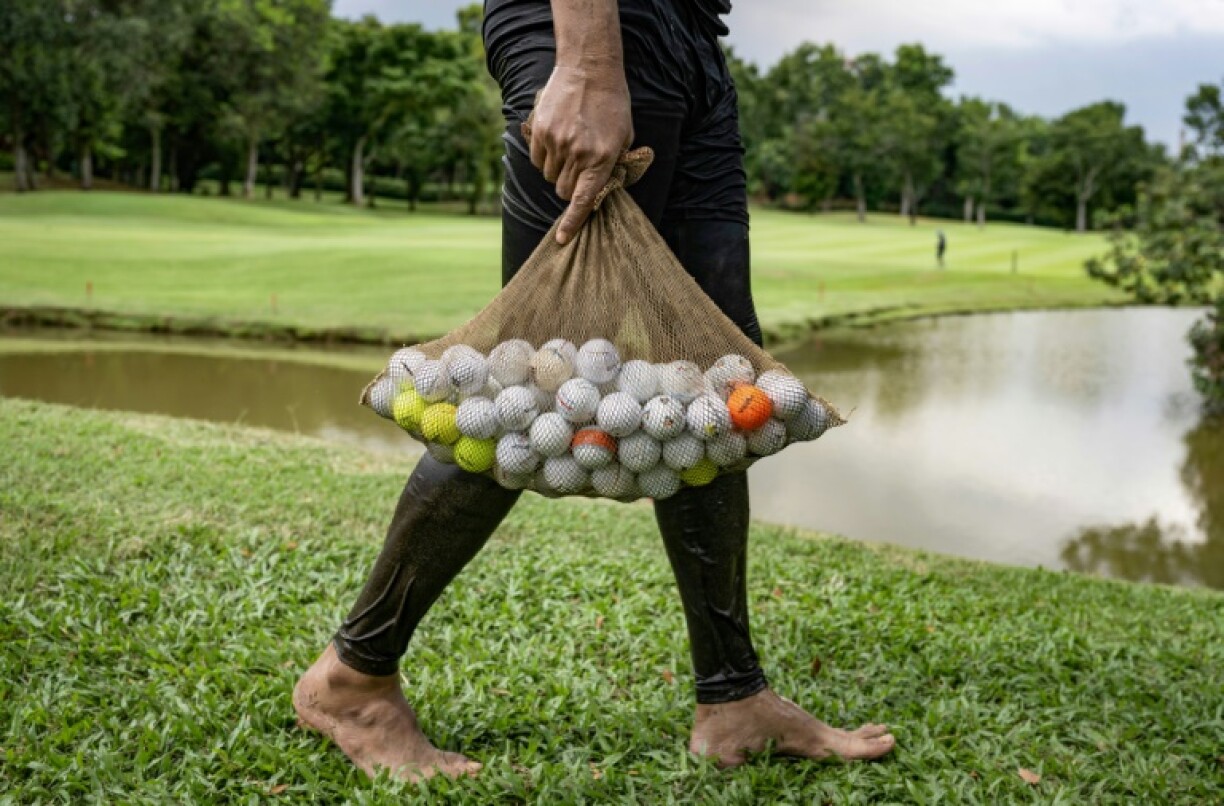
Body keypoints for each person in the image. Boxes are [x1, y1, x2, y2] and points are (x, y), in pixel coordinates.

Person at [293, 0, 896, 782]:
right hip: (603, 31)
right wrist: (585, 62)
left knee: (718, 378)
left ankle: (733, 697)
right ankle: (353, 679)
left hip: (688, 36)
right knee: (528, 385)